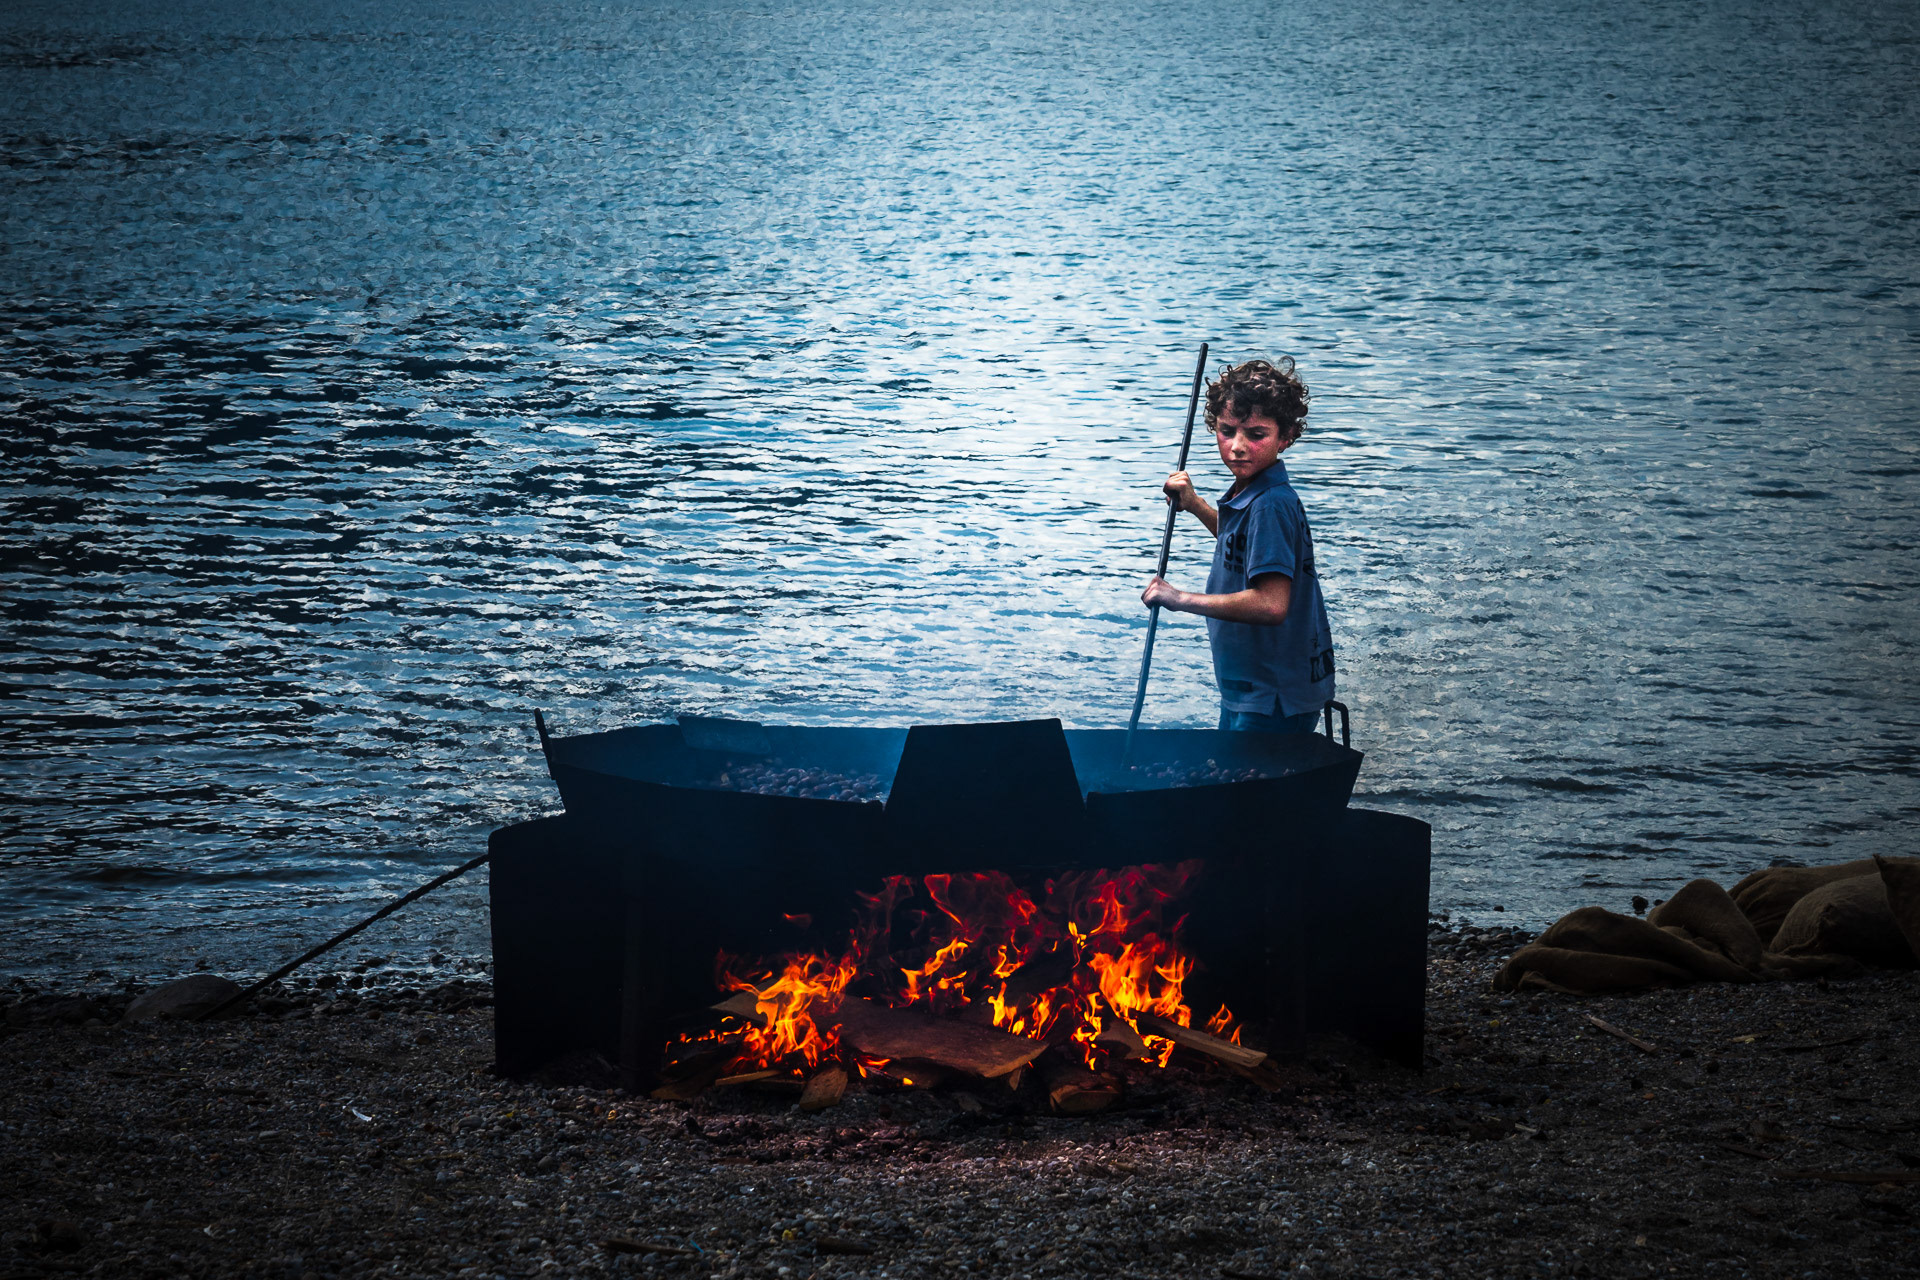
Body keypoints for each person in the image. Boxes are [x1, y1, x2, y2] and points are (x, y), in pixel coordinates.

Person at [1141, 356, 1335, 733]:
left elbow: (1271, 604)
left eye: (1256, 434)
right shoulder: (1255, 491)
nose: (1238, 447)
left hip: (1272, 696)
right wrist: (1196, 506)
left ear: (1287, 436)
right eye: (1227, 431)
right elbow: (1248, 547)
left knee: (1249, 789)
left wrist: (1178, 598)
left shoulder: (1271, 504)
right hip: (1251, 686)